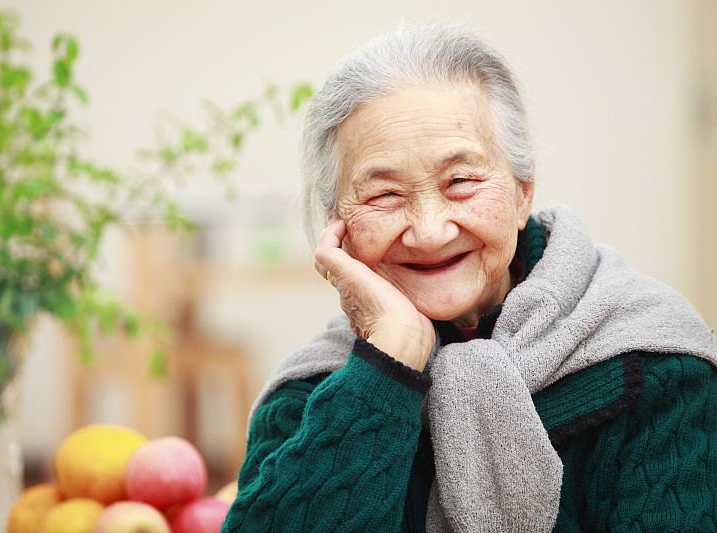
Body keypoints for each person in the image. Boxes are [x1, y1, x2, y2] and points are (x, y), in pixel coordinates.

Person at [221, 24, 717, 532]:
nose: (430, 232)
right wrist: (388, 363)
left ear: (523, 192)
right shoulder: (311, 394)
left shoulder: (658, 367)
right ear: (339, 224)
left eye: (460, 181)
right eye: (384, 195)